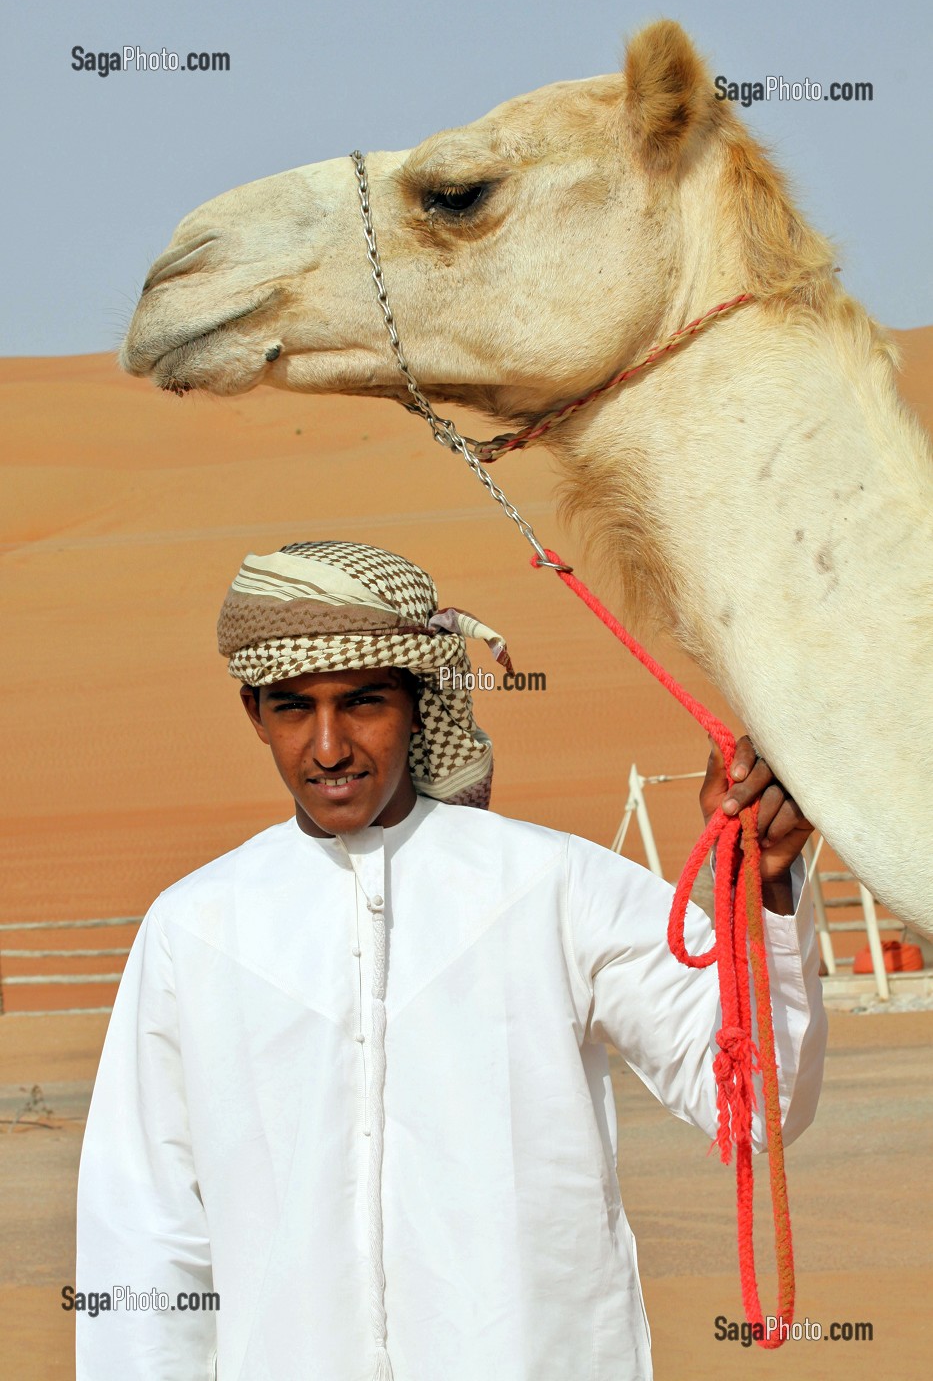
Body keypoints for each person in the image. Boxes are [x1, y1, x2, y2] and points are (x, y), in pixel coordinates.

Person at [75, 539, 826, 1381]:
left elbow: (761, 1102)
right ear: (254, 713)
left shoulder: (552, 885)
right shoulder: (195, 926)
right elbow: (142, 1226)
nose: (328, 748)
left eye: (362, 702)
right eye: (293, 708)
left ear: (417, 697)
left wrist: (758, 885)